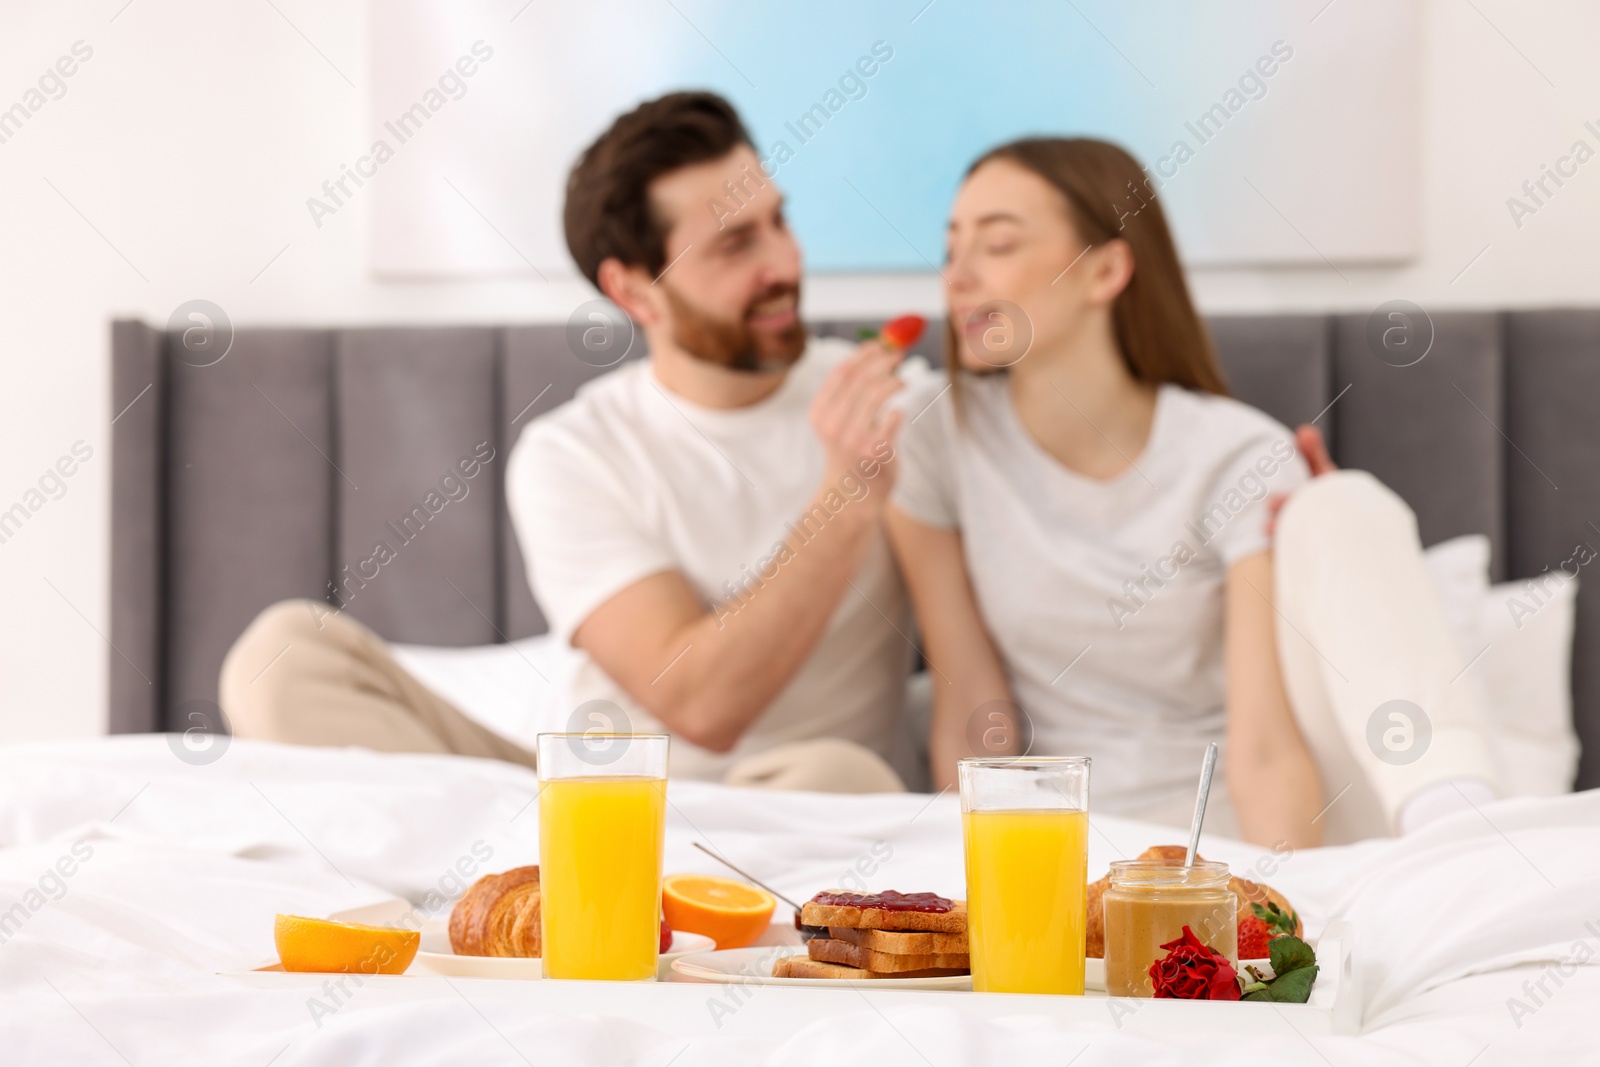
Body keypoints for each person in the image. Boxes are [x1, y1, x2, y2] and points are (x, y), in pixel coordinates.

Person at [221, 92, 916, 793]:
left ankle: (582, 888)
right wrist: (846, 497)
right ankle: (543, 875)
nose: (785, 264)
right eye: (737, 244)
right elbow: (702, 705)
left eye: (778, 221)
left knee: (844, 775)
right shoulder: (573, 453)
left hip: (780, 807)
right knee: (279, 659)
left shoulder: (891, 402)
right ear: (635, 290)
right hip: (588, 804)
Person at [889, 137, 1500, 845]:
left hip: (1239, 827)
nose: (956, 276)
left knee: (1339, 502)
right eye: (949, 247)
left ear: (1106, 269)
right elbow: (971, 717)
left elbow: (1267, 751)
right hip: (1071, 841)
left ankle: (1460, 828)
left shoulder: (1237, 456)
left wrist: (1268, 925)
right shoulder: (936, 438)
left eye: (996, 244)